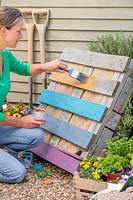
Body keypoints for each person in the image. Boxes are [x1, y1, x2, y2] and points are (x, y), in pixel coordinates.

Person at [0, 6, 67, 183]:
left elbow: (24, 68)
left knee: (36, 136)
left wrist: (48, 66)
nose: (21, 36)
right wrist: (20, 121)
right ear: (2, 31)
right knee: (16, 174)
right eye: (18, 31)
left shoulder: (4, 55)